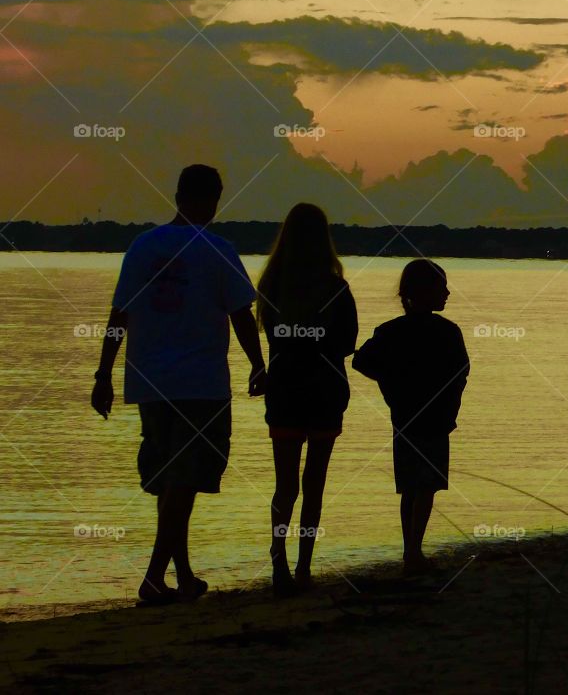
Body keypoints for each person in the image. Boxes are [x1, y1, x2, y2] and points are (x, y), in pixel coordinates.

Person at [90, 164, 266, 606]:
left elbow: (119, 316)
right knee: (183, 482)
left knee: (172, 481)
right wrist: (259, 364)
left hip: (149, 382)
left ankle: (182, 575)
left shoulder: (143, 246)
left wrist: (104, 374)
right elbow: (241, 315)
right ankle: (153, 578)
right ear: (211, 199)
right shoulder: (219, 249)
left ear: (177, 194)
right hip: (200, 385)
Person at [256, 203, 358, 596]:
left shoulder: (272, 284)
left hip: (284, 389)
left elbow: (274, 337)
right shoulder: (336, 288)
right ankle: (303, 566)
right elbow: (347, 342)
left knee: (286, 486)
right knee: (314, 483)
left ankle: (279, 558)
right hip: (325, 390)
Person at [352, 259, 469, 576]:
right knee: (424, 486)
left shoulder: (392, 331)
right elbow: (460, 372)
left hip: (406, 416)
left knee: (411, 486)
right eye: (440, 287)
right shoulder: (446, 332)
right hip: (429, 417)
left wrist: (392, 384)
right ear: (422, 292)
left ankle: (411, 550)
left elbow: (361, 362)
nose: (447, 293)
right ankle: (413, 551)